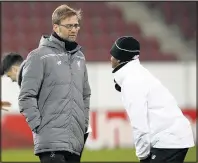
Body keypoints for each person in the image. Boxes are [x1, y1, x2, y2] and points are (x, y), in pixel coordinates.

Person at [18, 4, 91, 163]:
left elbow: (85, 95)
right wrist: (39, 126)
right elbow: (26, 97)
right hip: (50, 142)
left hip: (75, 140)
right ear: (56, 27)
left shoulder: (80, 57)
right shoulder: (38, 56)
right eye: (69, 26)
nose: (74, 29)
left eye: (76, 25)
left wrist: (83, 124)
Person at [110, 36, 194, 163]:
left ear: (120, 57)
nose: (110, 58)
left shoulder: (131, 82)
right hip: (173, 137)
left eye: (113, 55)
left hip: (169, 140)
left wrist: (142, 156)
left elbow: (139, 125)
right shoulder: (136, 74)